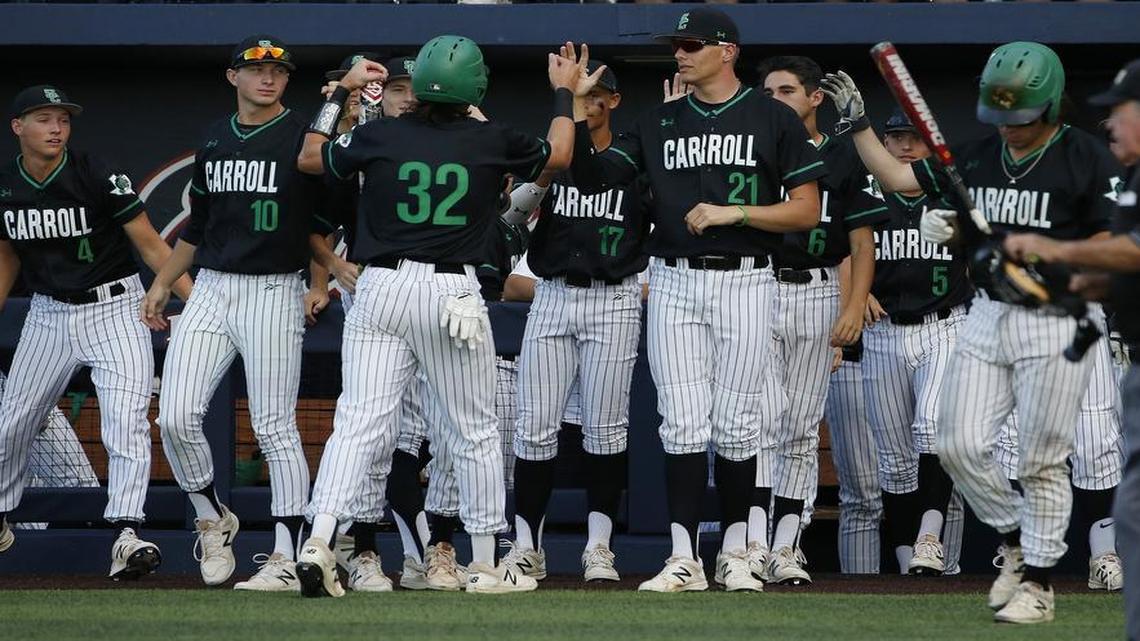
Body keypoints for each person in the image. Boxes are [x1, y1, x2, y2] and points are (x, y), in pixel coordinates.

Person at [824, 41, 1124, 623]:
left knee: (1041, 459)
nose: (1010, 128)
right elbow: (895, 173)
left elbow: (1121, 246)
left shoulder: (1087, 159)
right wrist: (861, 125)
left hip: (1059, 317)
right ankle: (1015, 542)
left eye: (1022, 117)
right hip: (989, 315)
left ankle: (1037, 582)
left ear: (1050, 106)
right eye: (1001, 116)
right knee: (957, 445)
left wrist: (1048, 253)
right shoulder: (980, 158)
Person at [294, 35, 582, 597]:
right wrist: (563, 93)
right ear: (474, 88)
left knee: (357, 424)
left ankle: (320, 540)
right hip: (451, 292)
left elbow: (310, 157)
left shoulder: (378, 132)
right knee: (472, 430)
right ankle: (481, 563)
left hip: (379, 287)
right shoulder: (489, 136)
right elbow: (561, 154)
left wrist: (341, 93)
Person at [570, 7, 825, 593]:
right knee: (681, 425)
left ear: (727, 50)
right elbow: (592, 178)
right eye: (676, 45)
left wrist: (738, 212)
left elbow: (806, 210)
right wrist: (580, 109)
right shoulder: (660, 120)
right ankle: (683, 557)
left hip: (747, 276)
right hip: (675, 278)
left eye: (690, 44)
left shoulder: (772, 116)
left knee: (738, 427)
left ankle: (736, 554)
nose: (680, 53)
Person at [144, 35, 329, 591]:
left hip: (274, 288)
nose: (267, 78)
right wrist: (161, 282)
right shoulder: (215, 138)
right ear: (234, 77)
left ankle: (284, 552)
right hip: (212, 288)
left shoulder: (302, 135)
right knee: (174, 415)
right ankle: (212, 515)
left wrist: (319, 281)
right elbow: (197, 229)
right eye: (254, 69)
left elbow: (321, 220)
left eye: (277, 71)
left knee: (275, 426)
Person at [0, 84, 191, 579]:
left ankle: (127, 534)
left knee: (125, 423)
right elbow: (6, 256)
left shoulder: (94, 171)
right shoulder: (5, 184)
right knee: (13, 423)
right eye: (43, 119)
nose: (56, 128)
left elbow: (151, 244)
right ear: (18, 127)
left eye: (62, 119)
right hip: (47, 313)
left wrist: (195, 302)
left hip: (114, 307)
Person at [497, 60, 650, 585]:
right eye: (580, 95)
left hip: (614, 297)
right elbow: (512, 218)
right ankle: (526, 548)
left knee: (606, 430)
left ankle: (600, 548)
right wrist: (543, 171)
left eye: (598, 94)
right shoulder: (554, 157)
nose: (590, 101)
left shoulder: (634, 152)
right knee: (534, 428)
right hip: (555, 294)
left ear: (614, 99)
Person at [1002, 57, 1140, 638]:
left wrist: (1055, 251)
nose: (1109, 125)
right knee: (1131, 511)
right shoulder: (1131, 176)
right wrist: (1098, 283)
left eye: (1120, 113)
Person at [753, 55, 886, 586]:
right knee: (754, 423)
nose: (775, 100)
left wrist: (853, 303)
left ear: (815, 99)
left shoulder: (841, 154)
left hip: (814, 290)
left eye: (786, 90)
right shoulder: (749, 141)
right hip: (753, 287)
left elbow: (860, 236)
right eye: (767, 92)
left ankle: (786, 544)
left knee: (801, 429)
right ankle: (750, 542)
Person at [857, 109, 969, 576]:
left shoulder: (951, 190)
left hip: (943, 324)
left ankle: (929, 537)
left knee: (933, 428)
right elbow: (846, 251)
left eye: (913, 138)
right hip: (884, 333)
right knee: (895, 461)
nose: (903, 146)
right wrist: (854, 295)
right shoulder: (868, 193)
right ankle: (911, 567)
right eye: (895, 137)